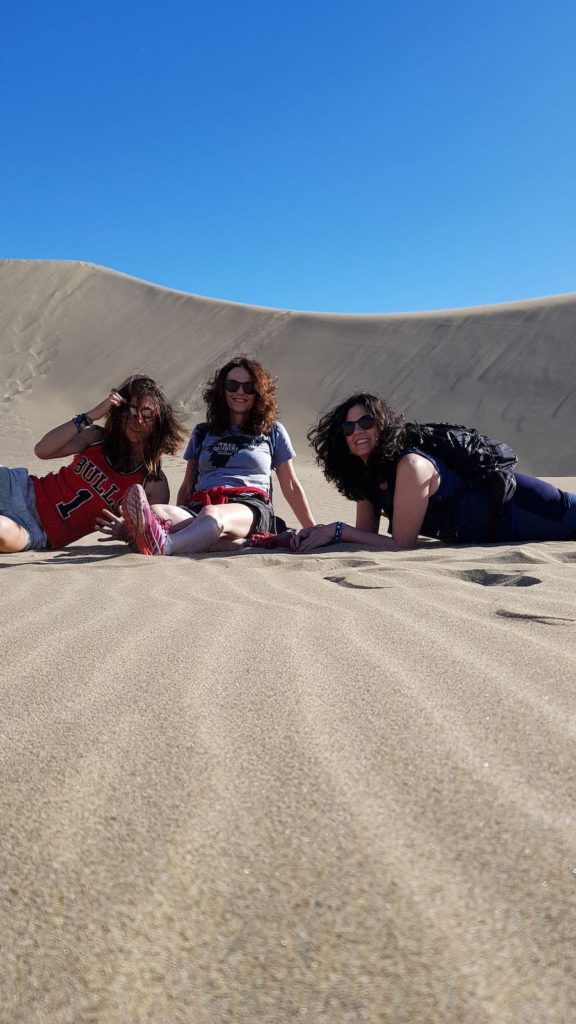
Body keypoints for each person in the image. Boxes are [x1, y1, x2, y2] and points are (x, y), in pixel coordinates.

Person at [292, 392, 576, 552]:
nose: (358, 431)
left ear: (382, 426)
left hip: (529, 510)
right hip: (498, 531)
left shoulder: (410, 466)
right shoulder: (365, 475)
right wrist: (326, 534)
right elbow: (365, 535)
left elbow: (402, 545)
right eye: (348, 427)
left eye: (366, 422)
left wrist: (338, 530)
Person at [114, 356, 316, 555]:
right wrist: (178, 523)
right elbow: (187, 485)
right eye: (232, 385)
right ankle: (232, 543)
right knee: (157, 512)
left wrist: (312, 529)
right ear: (222, 389)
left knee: (212, 516)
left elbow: (290, 486)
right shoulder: (203, 432)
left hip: (249, 506)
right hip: (201, 504)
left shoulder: (272, 431)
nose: (240, 392)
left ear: (258, 393)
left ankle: (167, 545)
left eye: (248, 387)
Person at [0, 374, 185, 553]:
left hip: (37, 531)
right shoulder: (96, 438)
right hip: (18, 489)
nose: (138, 420)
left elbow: (149, 536)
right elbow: (42, 450)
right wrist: (91, 415)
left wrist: (127, 533)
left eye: (147, 414)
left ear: (159, 420)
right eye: (131, 411)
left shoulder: (153, 483)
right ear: (119, 412)